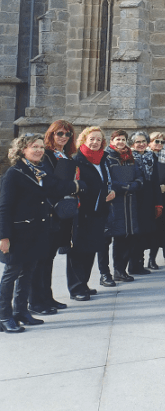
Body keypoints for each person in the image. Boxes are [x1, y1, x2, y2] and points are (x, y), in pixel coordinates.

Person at [1, 135, 79, 332]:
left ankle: (21, 312)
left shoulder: (40, 170)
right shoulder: (14, 173)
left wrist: (77, 186)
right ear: (22, 150)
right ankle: (4, 316)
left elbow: (56, 187)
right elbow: (4, 207)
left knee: (27, 273)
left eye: (41, 147)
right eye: (33, 147)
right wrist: (4, 237)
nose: (39, 150)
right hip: (19, 234)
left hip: (37, 232)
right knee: (11, 274)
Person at [31, 120, 77, 314]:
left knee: (49, 257)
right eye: (59, 134)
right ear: (51, 135)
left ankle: (47, 296)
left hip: (58, 213)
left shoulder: (64, 155)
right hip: (45, 212)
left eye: (67, 134)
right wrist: (75, 186)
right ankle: (35, 301)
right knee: (39, 259)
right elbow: (49, 183)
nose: (63, 137)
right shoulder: (46, 155)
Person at [67, 127, 116, 301]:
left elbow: (107, 181)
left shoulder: (103, 159)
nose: (95, 142)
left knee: (90, 250)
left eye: (98, 139)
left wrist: (112, 191)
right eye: (91, 139)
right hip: (81, 213)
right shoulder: (77, 160)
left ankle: (84, 284)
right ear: (84, 140)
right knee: (78, 251)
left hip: (99, 211)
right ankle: (75, 288)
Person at [103, 130, 143, 283]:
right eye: (118, 139)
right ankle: (111, 271)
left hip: (130, 204)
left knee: (127, 237)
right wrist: (125, 187)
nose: (121, 142)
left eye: (123, 139)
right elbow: (108, 179)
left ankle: (121, 270)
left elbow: (139, 176)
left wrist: (135, 185)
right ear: (112, 141)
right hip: (115, 204)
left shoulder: (130, 158)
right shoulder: (107, 158)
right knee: (115, 237)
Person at [128, 131, 161, 273]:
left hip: (148, 198)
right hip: (134, 198)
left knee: (146, 233)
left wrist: (158, 202)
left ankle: (140, 264)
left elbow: (155, 180)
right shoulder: (128, 157)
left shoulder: (151, 156)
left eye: (143, 141)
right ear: (132, 144)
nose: (141, 144)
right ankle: (133, 265)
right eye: (137, 142)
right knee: (134, 234)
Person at [148, 132, 165, 263]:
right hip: (149, 198)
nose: (159, 144)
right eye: (156, 141)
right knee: (152, 230)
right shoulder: (145, 156)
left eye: (162, 142)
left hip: (164, 198)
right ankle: (150, 259)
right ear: (149, 142)